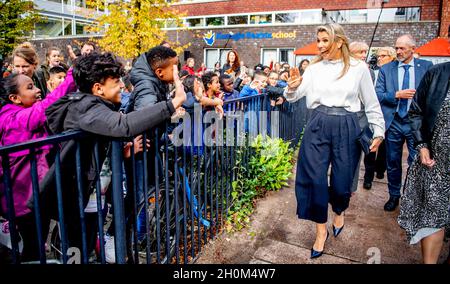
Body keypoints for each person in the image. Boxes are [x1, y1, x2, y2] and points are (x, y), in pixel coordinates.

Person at [42, 52, 186, 262]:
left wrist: (123, 153)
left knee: (87, 244)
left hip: (93, 196)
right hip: (79, 196)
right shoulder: (85, 108)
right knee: (77, 250)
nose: (121, 86)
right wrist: (173, 103)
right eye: (116, 81)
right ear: (98, 88)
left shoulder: (96, 106)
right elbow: (123, 125)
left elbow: (103, 143)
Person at [284, 23, 385, 259]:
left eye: (324, 40)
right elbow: (295, 95)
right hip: (317, 123)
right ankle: (321, 231)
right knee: (314, 180)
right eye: (318, 40)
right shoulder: (314, 68)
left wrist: (379, 131)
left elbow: (370, 103)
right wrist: (291, 88)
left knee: (342, 183)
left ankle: (339, 210)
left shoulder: (359, 68)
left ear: (339, 41)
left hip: (347, 125)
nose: (319, 45)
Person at [0, 67, 76, 262]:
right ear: (14, 98)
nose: (37, 90)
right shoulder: (13, 119)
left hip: (36, 195)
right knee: (32, 247)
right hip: (23, 201)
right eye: (30, 87)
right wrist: (70, 78)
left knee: (37, 243)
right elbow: (44, 109)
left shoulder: (21, 112)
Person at [397, 62, 450, 264]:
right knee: (432, 217)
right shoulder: (437, 73)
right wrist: (422, 144)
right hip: (436, 162)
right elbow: (417, 111)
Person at [375, 35, 433, 211]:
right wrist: (396, 95)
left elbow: (431, 95)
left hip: (416, 124)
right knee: (392, 162)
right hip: (394, 123)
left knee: (416, 162)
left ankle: (411, 196)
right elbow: (378, 94)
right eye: (397, 48)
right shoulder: (387, 69)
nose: (398, 52)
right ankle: (394, 195)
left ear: (413, 48)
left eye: (402, 48)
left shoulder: (426, 67)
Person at [362, 47, 396, 189]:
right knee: (370, 148)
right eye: (379, 56)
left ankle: (380, 170)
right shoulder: (369, 70)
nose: (380, 58)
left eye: (384, 56)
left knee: (384, 148)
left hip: (387, 115)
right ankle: (368, 178)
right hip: (371, 115)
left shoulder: (393, 73)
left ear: (392, 57)